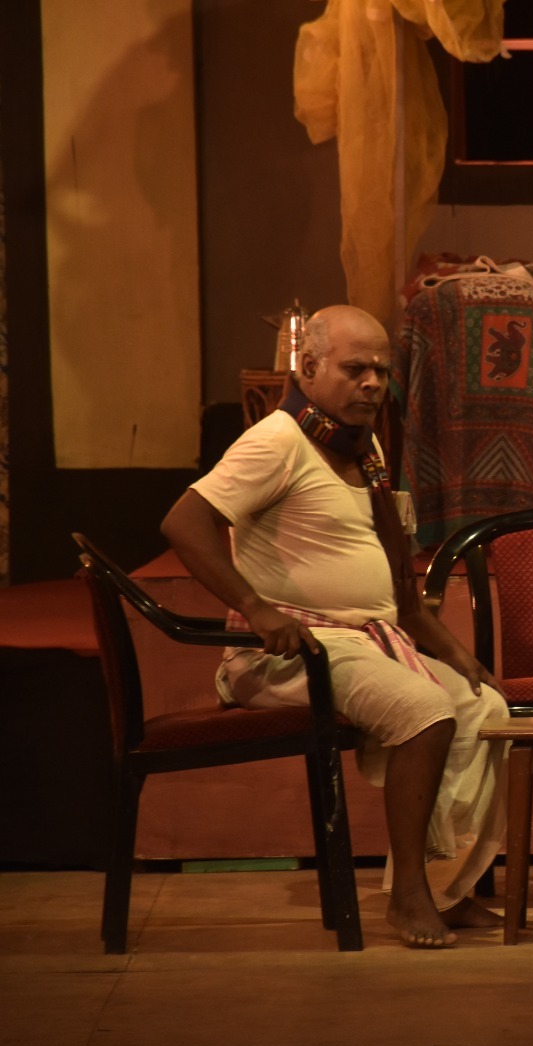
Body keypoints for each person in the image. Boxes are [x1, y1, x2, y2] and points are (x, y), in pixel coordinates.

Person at [161, 305, 507, 949]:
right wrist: (257, 608)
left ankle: (444, 888)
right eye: (355, 369)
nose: (372, 383)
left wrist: (457, 653)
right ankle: (408, 897)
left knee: (484, 708)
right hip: (291, 652)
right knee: (427, 712)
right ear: (309, 367)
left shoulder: (362, 446)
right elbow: (183, 522)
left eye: (382, 370)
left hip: (365, 642)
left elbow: (399, 593)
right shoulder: (277, 440)